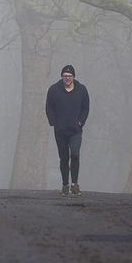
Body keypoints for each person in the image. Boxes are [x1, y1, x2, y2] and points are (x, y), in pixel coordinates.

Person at [45, 64, 90, 196]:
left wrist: (81, 121)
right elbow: (49, 107)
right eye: (65, 76)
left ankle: (75, 185)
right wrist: (53, 122)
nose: (67, 78)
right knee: (64, 158)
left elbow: (86, 107)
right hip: (60, 131)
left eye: (70, 76)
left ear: (74, 77)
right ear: (61, 76)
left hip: (76, 130)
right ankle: (65, 185)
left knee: (75, 154)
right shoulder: (54, 90)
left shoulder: (82, 90)